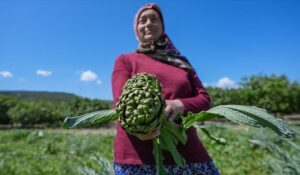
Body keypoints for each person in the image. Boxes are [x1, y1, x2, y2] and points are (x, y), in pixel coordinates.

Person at [111, 3, 219, 175]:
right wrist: (142, 127)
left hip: (189, 154)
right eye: (142, 20)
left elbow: (204, 98)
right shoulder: (126, 60)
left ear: (162, 26)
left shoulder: (181, 62)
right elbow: (120, 103)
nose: (148, 23)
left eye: (154, 19)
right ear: (136, 28)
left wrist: (179, 105)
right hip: (138, 159)